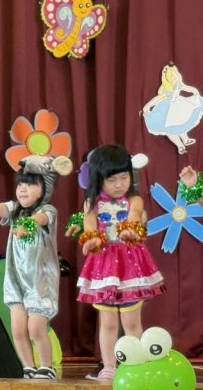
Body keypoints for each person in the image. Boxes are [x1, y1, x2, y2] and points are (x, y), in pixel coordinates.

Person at [0, 155, 72, 380]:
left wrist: (28, 225)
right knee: (18, 330)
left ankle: (46, 366)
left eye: (31, 185)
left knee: (36, 329)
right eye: (21, 185)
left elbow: (41, 219)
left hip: (40, 282)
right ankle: (28, 367)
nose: (23, 189)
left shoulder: (48, 210)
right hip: (15, 281)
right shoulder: (15, 209)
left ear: (45, 188)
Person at [74, 144, 165, 382]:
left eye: (124, 178)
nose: (118, 185)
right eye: (112, 180)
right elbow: (89, 225)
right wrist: (92, 239)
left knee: (132, 321)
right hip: (103, 265)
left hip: (130, 265)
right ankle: (109, 366)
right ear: (98, 179)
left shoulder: (134, 199)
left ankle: (137, 363)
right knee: (107, 322)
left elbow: (134, 215)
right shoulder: (91, 203)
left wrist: (130, 229)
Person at [142, 63, 203, 154]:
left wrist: (195, 91)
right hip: (166, 110)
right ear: (168, 79)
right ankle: (180, 145)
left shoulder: (179, 85)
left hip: (177, 105)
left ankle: (185, 139)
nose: (175, 78)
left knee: (181, 122)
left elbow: (187, 88)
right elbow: (158, 98)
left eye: (176, 75)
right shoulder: (167, 89)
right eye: (172, 77)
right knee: (170, 129)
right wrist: (147, 106)